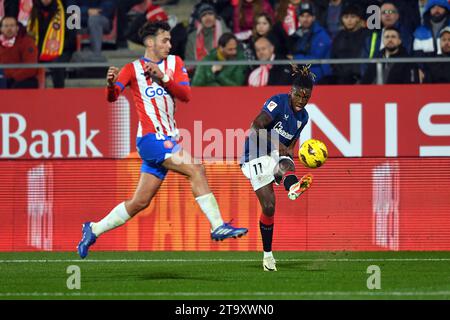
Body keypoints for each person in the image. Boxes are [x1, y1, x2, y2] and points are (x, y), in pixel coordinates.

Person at [77, 21, 248, 259]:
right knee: (196, 168)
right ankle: (217, 225)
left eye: (169, 40)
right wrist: (108, 85)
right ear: (150, 42)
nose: (169, 44)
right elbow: (112, 97)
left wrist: (163, 79)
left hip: (167, 137)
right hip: (150, 139)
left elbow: (186, 95)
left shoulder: (175, 63)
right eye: (164, 40)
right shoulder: (132, 68)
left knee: (139, 202)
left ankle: (93, 229)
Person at [240, 64, 315, 271]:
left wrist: (288, 152)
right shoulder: (277, 102)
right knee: (270, 204)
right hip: (254, 153)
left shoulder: (304, 117)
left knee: (285, 166)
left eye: (306, 97)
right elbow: (255, 126)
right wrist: (279, 145)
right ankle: (267, 255)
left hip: (275, 156)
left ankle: (292, 187)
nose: (301, 101)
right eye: (298, 96)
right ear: (291, 91)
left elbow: (290, 146)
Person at [27, 0, 76, 88]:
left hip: (61, 50)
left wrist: (58, 47)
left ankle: (59, 94)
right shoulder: (32, 11)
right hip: (38, 49)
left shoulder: (67, 13)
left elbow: (72, 39)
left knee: (57, 65)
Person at [290, 2, 332, 82]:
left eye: (308, 16)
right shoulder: (297, 34)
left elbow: (317, 60)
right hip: (301, 75)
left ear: (313, 17)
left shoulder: (322, 34)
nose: (305, 19)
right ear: (298, 18)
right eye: (302, 16)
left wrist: (295, 59)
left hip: (318, 77)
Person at [330, 4, 368, 84]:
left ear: (358, 18)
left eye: (353, 17)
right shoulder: (339, 36)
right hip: (340, 77)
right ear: (342, 19)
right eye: (346, 17)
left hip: (360, 78)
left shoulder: (366, 35)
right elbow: (333, 57)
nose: (349, 20)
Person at [0, 15, 39, 88]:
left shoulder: (27, 42)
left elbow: (31, 67)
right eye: (6, 26)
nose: (9, 28)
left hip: (21, 79)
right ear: (1, 29)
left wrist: (13, 77)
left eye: (12, 26)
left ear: (17, 28)